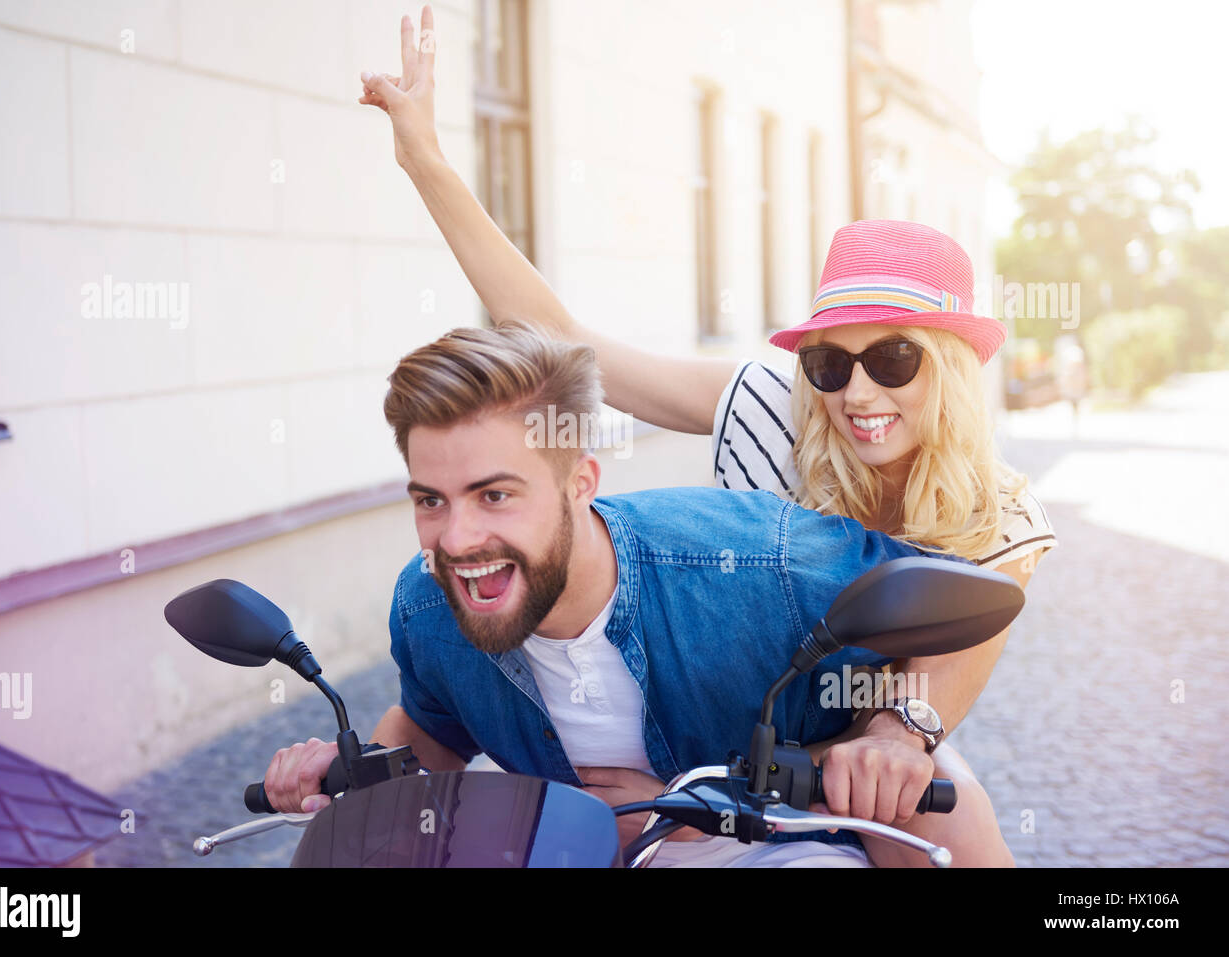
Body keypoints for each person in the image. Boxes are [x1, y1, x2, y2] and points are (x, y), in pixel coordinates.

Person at [355, 6, 1056, 867]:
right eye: (831, 363)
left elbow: (962, 643)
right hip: (716, 719)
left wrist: (894, 732)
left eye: (896, 359)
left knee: (947, 821)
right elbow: (560, 337)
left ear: (949, 368)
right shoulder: (773, 404)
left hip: (863, 743)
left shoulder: (1002, 508)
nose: (857, 392)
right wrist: (423, 157)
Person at [261, 324, 1008, 867]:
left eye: (494, 495)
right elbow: (433, 730)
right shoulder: (428, 606)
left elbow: (967, 603)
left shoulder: (759, 559)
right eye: (431, 499)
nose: (455, 539)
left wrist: (896, 730)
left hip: (790, 844)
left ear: (580, 482)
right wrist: (348, 767)